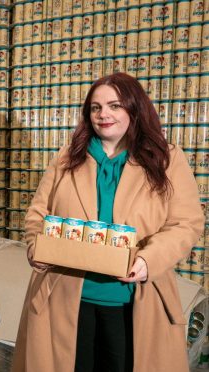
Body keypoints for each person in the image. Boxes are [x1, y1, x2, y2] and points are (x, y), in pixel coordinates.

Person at [12, 73, 204, 371]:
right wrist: (36, 246)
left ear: (134, 109)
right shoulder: (67, 158)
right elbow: (38, 214)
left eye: (114, 106)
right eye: (96, 107)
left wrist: (148, 260)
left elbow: (187, 223)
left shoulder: (166, 159)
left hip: (133, 300)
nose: (104, 115)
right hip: (64, 300)